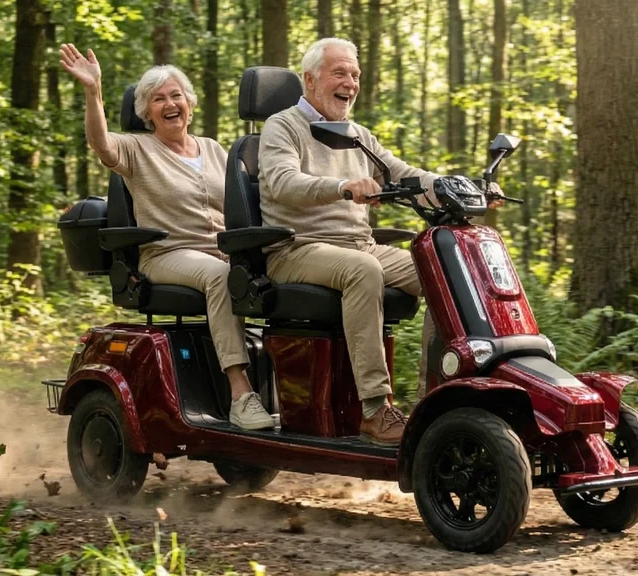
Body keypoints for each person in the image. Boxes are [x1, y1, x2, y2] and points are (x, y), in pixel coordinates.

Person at [59, 44, 273, 431]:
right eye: (159, 99)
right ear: (147, 112)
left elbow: (247, 200)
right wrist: (94, 92)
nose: (170, 104)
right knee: (220, 277)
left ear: (189, 103)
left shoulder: (211, 148)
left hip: (223, 251)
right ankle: (241, 395)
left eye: (176, 96)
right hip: (167, 253)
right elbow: (101, 144)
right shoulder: (137, 148)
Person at [257, 38, 452, 446]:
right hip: (295, 248)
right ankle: (375, 409)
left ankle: (436, 398)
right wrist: (342, 186)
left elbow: (402, 175)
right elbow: (282, 182)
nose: (350, 83)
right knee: (364, 269)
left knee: (443, 268)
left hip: (357, 244)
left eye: (355, 75)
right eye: (339, 73)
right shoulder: (282, 126)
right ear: (310, 80)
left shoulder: (357, 135)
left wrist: (454, 185)